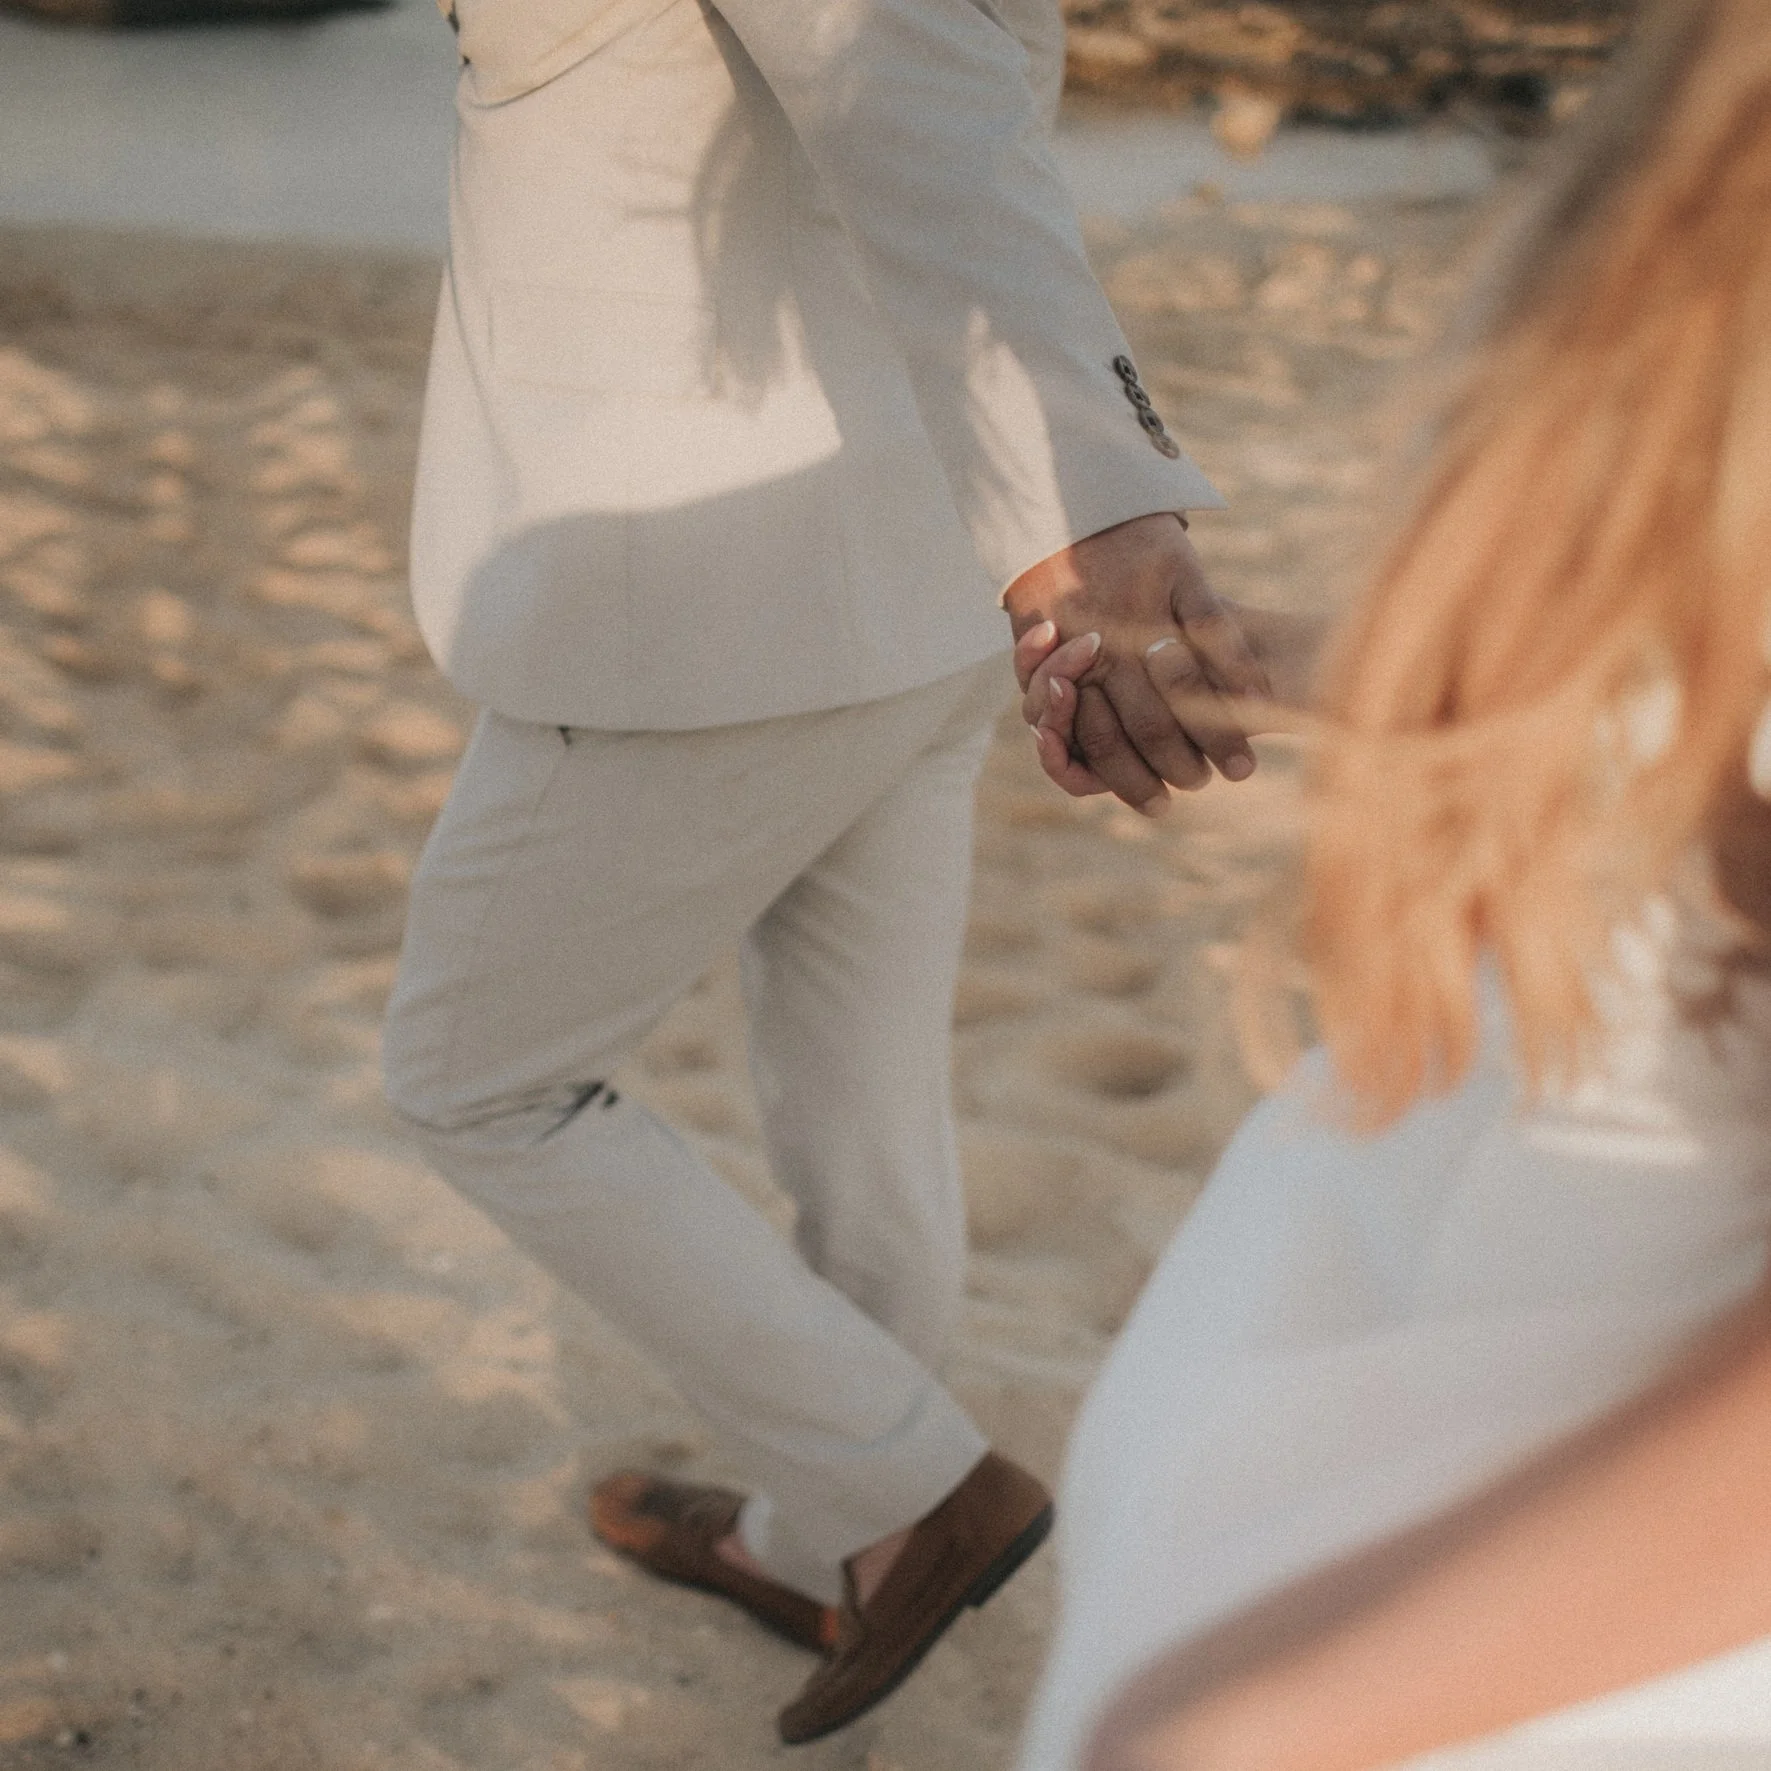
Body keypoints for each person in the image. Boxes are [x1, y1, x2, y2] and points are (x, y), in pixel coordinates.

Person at [380, 0, 1270, 1744]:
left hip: (696, 600)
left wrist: (1098, 511)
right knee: (858, 1102)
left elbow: (916, 111)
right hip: (910, 576)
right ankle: (827, 1528)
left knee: (475, 1079)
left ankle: (907, 1490)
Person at [1011, 1, 1771, 1765]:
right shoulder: (1713, 247)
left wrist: (1262, 1720)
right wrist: (1255, 666)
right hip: (1417, 1383)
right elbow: (1673, 701)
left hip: (1552, 1628)